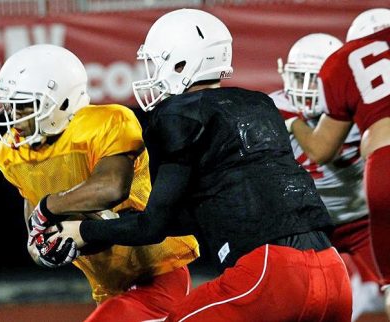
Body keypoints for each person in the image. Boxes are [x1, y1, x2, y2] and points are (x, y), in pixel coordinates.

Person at [31, 9, 352, 321]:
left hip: (271, 274)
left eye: (156, 63)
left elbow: (153, 227)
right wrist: (108, 227)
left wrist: (83, 231)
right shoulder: (261, 104)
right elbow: (198, 215)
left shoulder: (177, 115)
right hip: (334, 272)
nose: (151, 74)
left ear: (181, 62)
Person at [0, 44, 199, 321]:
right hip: (107, 288)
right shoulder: (11, 154)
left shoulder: (105, 122)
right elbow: (35, 231)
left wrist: (49, 206)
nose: (15, 116)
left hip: (159, 272)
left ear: (62, 101)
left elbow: (111, 187)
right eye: (10, 105)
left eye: (26, 105)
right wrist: (44, 250)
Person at [271, 32, 384, 321]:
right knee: (294, 299)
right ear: (285, 74)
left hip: (361, 220)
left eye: (314, 81)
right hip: (309, 222)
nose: (306, 91)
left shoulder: (351, 106)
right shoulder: (271, 107)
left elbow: (322, 148)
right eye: (299, 79)